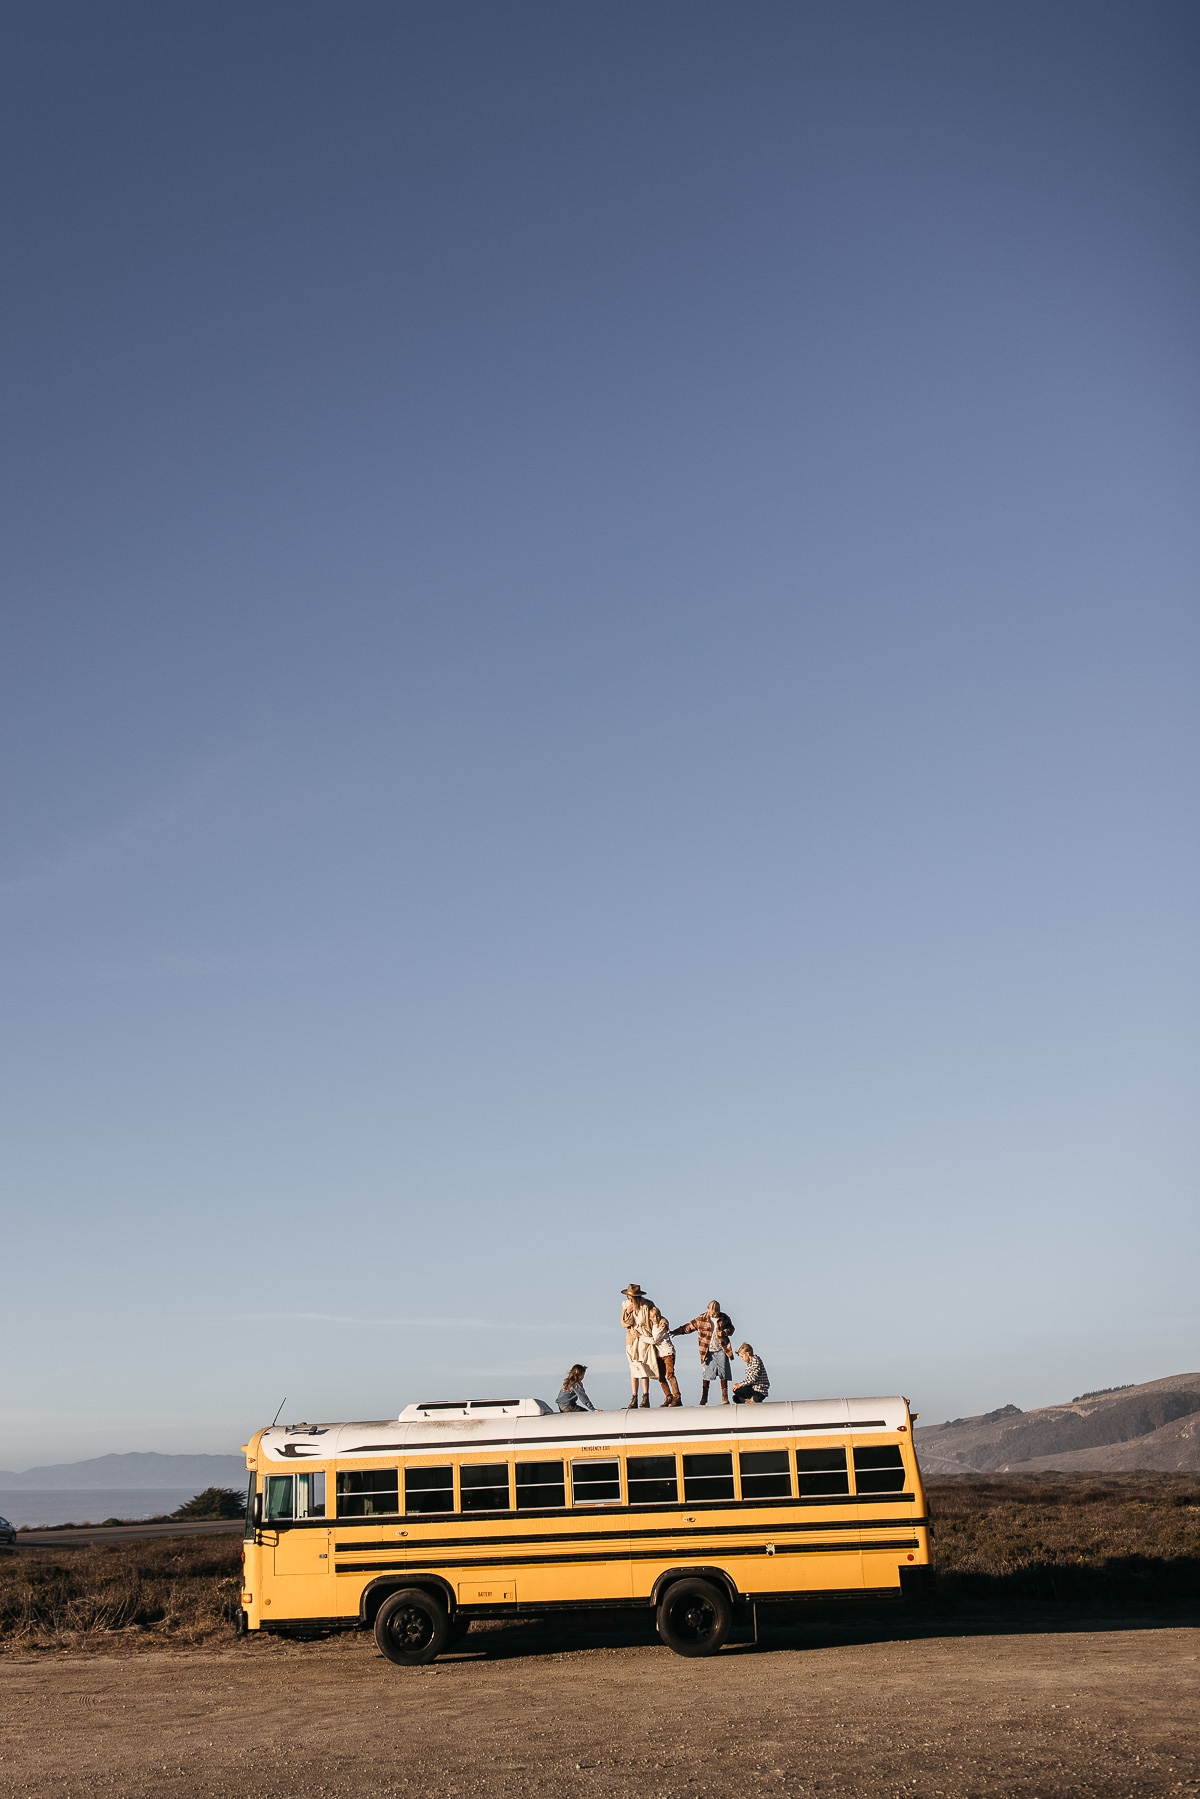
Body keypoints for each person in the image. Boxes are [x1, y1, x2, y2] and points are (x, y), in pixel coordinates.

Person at [673, 1299, 735, 1404]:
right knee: (707, 1374)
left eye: (714, 1313)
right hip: (708, 1350)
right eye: (711, 1312)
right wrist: (676, 1331)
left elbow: (732, 1329)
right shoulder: (702, 1318)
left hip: (721, 1348)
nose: (712, 1314)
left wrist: (725, 1332)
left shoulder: (724, 1318)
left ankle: (725, 1397)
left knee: (723, 1373)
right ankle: (704, 1397)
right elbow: (689, 1327)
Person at [620, 1282, 659, 1408]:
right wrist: (628, 1311)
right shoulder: (626, 1306)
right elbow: (624, 1323)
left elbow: (656, 1317)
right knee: (633, 1369)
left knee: (643, 1367)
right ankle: (634, 1397)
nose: (629, 1299)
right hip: (631, 1340)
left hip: (643, 1338)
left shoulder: (647, 1305)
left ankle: (645, 1396)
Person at [643, 1301, 682, 1405]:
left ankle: (677, 1396)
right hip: (660, 1355)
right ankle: (668, 1397)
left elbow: (654, 1340)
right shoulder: (653, 1326)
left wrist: (640, 1337)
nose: (656, 1318)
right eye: (653, 1317)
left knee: (670, 1374)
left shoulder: (661, 1326)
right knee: (661, 1376)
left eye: (657, 1316)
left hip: (668, 1353)